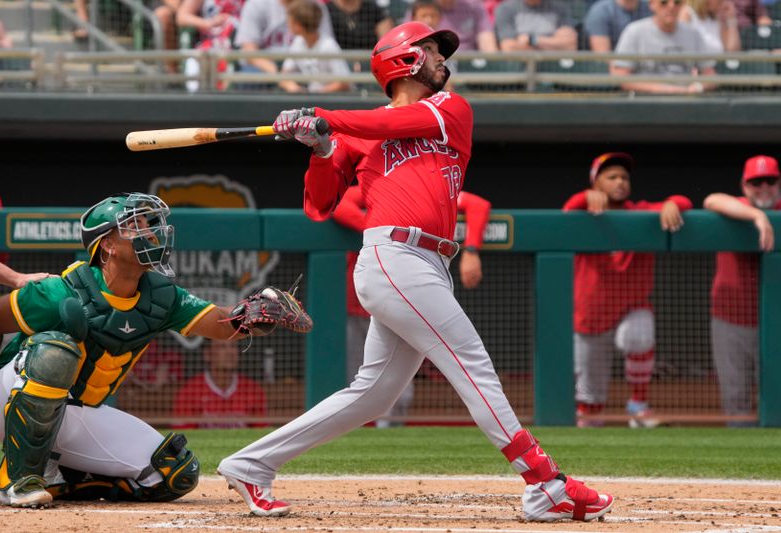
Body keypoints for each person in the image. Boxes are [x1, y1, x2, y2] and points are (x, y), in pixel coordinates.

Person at [217, 21, 614, 522]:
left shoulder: (450, 109)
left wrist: (323, 118)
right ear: (402, 61)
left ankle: (251, 464)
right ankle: (544, 483)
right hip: (393, 257)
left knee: (374, 393)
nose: (442, 59)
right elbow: (319, 206)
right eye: (429, 51)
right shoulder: (355, 134)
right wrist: (320, 149)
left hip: (431, 260)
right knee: (472, 364)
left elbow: (384, 126)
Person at [0, 192, 308, 508]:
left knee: (173, 473)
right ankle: (18, 477)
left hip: (75, 414)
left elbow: (223, 325)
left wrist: (257, 315)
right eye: (134, 226)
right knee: (56, 350)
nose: (149, 233)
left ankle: (61, 477)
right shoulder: (59, 290)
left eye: (148, 224)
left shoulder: (163, 297)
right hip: (5, 402)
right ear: (107, 245)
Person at [333, 184, 491, 427]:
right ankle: (361, 441)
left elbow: (479, 205)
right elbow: (340, 205)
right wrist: (384, 232)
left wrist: (471, 249)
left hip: (405, 301)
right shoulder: (378, 187)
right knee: (357, 382)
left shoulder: (430, 189)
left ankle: (389, 439)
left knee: (397, 387)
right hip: (362, 302)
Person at [563, 152, 691, 428]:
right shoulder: (583, 215)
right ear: (596, 183)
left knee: (639, 334)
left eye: (624, 176)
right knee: (589, 406)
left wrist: (671, 204)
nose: (620, 181)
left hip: (629, 307)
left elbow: (685, 201)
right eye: (611, 177)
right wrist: (585, 196)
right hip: (590, 316)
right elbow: (565, 212)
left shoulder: (641, 211)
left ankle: (638, 404)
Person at [703, 155, 780, 427]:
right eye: (756, 182)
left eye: (770, 181)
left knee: (775, 400)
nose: (763, 188)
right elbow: (711, 200)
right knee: (735, 400)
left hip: (774, 324)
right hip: (730, 319)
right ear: (744, 186)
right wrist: (758, 216)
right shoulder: (736, 209)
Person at [611, 0, 717, 94]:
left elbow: (710, 75)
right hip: (645, 102)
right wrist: (663, 89)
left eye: (677, 2)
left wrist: (698, 87)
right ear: (652, 4)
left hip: (684, 101)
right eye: (664, 2)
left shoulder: (693, 34)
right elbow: (621, 77)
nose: (671, 7)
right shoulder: (634, 31)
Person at [172, 338, 268, 428]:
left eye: (233, 346)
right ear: (207, 354)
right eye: (222, 347)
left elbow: (262, 434)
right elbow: (183, 432)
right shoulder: (191, 390)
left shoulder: (252, 389)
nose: (230, 352)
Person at [234, 0, 333, 77]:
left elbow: (323, 47)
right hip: (266, 65)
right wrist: (278, 74)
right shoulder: (256, 4)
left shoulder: (314, 6)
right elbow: (250, 52)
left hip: (304, 65)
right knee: (250, 76)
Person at [280, 0, 351, 93]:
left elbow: (344, 83)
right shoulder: (298, 42)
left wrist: (318, 93)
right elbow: (283, 76)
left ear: (298, 26)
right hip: (312, 99)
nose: (288, 24)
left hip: (332, 101)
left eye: (290, 21)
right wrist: (294, 88)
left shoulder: (328, 45)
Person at [176, 0, 245, 91]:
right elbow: (182, 17)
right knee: (198, 60)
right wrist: (208, 23)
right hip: (211, 41)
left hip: (240, 43)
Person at [494, 0, 577, 51]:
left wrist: (532, 40)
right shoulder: (506, 8)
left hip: (553, 68)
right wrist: (554, 44)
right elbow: (509, 47)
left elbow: (570, 45)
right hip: (519, 69)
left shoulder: (560, 7)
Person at [584, 0, 652, 52]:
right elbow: (602, 57)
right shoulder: (600, 11)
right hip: (615, 67)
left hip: (648, 66)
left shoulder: (651, 8)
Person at [327, 0, 394, 51]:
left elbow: (387, 47)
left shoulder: (374, 10)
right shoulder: (326, 11)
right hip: (338, 64)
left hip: (368, 63)